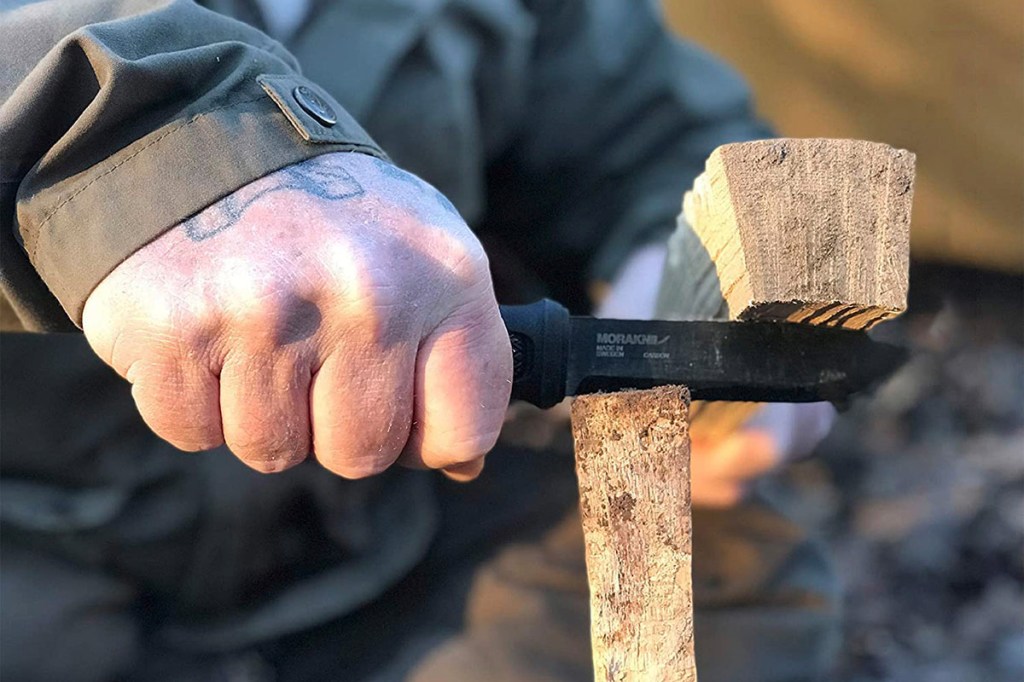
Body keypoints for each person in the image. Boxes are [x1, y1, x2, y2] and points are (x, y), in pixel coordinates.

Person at [1, 1, 839, 679]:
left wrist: (706, 275)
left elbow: (666, 126)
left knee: (699, 577)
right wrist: (158, 161)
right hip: (44, 579)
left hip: (378, 544)